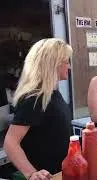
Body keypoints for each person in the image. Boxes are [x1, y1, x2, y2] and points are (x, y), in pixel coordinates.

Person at [4, 38, 73, 179]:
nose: (69, 67)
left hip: (62, 173)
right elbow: (10, 142)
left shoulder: (52, 93)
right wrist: (31, 173)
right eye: (66, 62)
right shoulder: (34, 98)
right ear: (52, 64)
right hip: (48, 176)